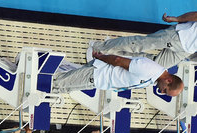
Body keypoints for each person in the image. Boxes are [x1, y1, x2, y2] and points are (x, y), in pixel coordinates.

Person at [90, 11, 197, 70]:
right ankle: (99, 47)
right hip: (180, 36)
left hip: (187, 50)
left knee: (154, 66)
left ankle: (111, 56)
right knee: (139, 44)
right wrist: (177, 19)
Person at [52, 52, 184, 96]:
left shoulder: (154, 78)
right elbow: (118, 60)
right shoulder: (149, 69)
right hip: (97, 74)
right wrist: (101, 57)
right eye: (165, 90)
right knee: (56, 83)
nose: (161, 91)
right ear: (169, 80)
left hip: (97, 81)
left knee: (61, 88)